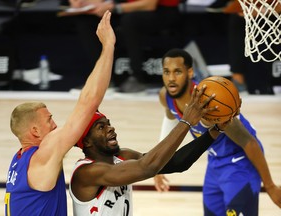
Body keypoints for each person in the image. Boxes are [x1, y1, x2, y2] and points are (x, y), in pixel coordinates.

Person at [4, 11, 115, 215]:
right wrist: (108, 46)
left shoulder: (18, 160)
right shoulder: (42, 156)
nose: (55, 125)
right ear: (35, 131)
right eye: (49, 120)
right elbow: (88, 102)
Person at [153, 48, 281, 215]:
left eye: (177, 72)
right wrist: (159, 163)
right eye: (166, 72)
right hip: (214, 163)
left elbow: (249, 142)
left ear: (190, 72)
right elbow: (170, 117)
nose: (171, 78)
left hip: (240, 164)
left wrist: (270, 186)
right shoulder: (166, 96)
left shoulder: (210, 101)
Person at [69, 86, 229, 215]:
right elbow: (148, 167)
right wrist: (185, 122)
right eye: (101, 127)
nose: (110, 128)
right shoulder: (86, 173)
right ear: (87, 141)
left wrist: (214, 131)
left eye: (109, 123)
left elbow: (177, 163)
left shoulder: (123, 156)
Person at [68, 0, 181, 92]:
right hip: (124, 7)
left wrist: (114, 8)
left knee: (129, 20)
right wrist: (85, 3)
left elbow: (149, 4)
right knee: (85, 20)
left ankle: (137, 78)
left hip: (162, 11)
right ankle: (101, 79)